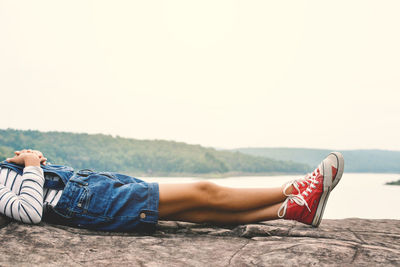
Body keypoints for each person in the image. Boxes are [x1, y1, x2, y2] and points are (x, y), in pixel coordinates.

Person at [0, 149, 344, 232]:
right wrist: (30, 165)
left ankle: (295, 210)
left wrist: (30, 162)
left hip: (88, 185)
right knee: (203, 191)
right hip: (83, 202)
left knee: (192, 211)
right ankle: (298, 187)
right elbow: (29, 212)